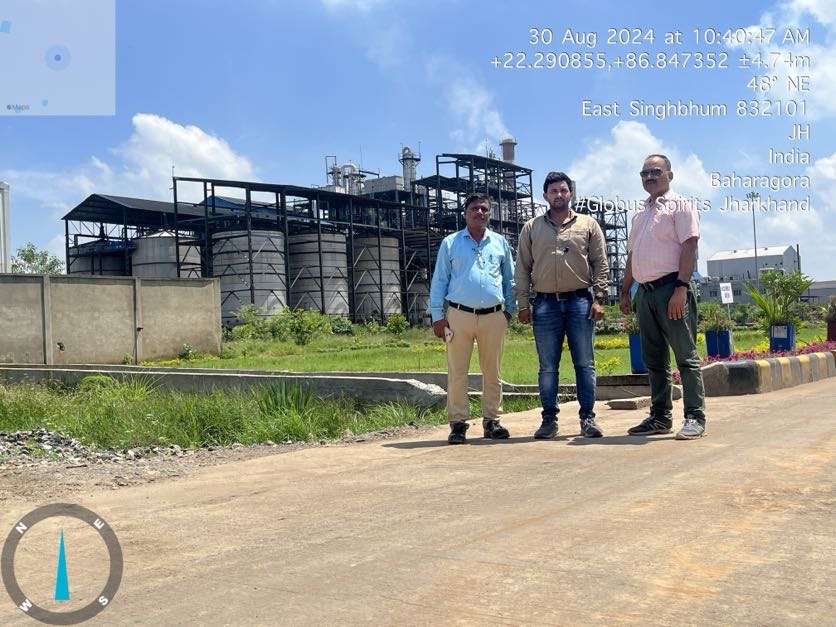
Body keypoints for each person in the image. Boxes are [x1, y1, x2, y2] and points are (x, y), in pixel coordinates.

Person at [514, 171, 608, 439]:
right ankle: (548, 420)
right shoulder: (531, 228)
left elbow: (600, 262)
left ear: (571, 193)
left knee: (585, 364)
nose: (559, 195)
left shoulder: (588, 224)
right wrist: (523, 304)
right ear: (545, 195)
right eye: (553, 191)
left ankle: (587, 418)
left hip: (580, 302)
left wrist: (599, 298)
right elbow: (522, 267)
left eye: (563, 190)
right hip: (545, 304)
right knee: (547, 366)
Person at [619, 154, 707, 440]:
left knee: (685, 357)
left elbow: (689, 246)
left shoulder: (681, 206)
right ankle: (660, 417)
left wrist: (681, 288)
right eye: (644, 173)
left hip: (672, 289)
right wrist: (625, 290)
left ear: (670, 174)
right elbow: (632, 255)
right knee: (654, 359)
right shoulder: (640, 214)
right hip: (644, 294)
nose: (649, 177)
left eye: (655, 171)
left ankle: (694, 417)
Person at [429, 193, 516, 444]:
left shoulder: (499, 242)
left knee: (492, 371)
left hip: (493, 316)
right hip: (459, 316)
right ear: (465, 213)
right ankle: (458, 424)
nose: (480, 212)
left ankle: (492, 421)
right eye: (475, 208)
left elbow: (509, 280)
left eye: (484, 209)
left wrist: (509, 311)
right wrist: (437, 316)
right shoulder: (451, 243)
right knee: (457, 371)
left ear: (490, 213)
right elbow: (440, 280)